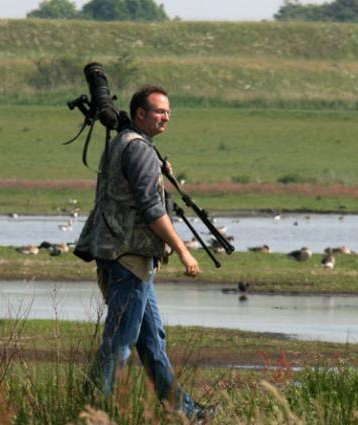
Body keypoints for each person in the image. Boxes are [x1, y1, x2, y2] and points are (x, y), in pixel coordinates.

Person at [75, 84, 212, 419]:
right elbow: (152, 211)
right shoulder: (138, 150)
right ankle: (91, 412)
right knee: (119, 342)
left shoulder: (128, 144)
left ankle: (185, 412)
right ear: (140, 114)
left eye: (168, 112)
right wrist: (184, 251)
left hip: (123, 257)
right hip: (129, 260)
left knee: (152, 343)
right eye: (159, 111)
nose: (166, 117)